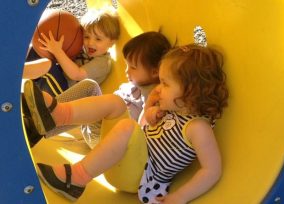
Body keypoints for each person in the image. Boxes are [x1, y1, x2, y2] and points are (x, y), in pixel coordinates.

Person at [30, 43, 229, 203]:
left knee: (128, 126)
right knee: (115, 102)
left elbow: (212, 170)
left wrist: (181, 197)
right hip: (125, 160)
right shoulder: (172, 111)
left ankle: (76, 178)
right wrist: (148, 110)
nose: (159, 88)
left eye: (165, 84)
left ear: (190, 92)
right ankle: (57, 115)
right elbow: (142, 131)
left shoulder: (198, 128)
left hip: (140, 177)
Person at [24, 31, 171, 148]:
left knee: (95, 91)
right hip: (96, 126)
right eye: (127, 65)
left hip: (107, 140)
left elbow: (144, 127)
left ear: (154, 72)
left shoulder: (153, 94)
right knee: (90, 86)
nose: (127, 71)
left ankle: (39, 124)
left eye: (133, 67)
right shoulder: (134, 84)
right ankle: (39, 124)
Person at [23, 6, 121, 147]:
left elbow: (76, 74)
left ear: (112, 42)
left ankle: (12, 74)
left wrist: (57, 51)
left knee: (48, 64)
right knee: (38, 49)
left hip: (64, 98)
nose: (90, 43)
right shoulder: (82, 47)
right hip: (52, 84)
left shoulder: (103, 63)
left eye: (98, 39)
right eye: (87, 36)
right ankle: (15, 67)